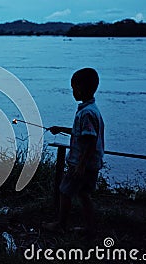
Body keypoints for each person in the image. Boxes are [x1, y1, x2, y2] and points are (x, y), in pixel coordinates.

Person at [42, 67, 104, 238]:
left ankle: (60, 225)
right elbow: (82, 133)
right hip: (90, 164)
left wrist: (81, 164)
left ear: (80, 88)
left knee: (65, 191)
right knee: (84, 194)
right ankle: (90, 228)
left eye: (73, 88)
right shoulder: (91, 110)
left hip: (81, 164)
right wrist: (60, 128)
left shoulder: (87, 113)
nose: (72, 92)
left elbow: (90, 140)